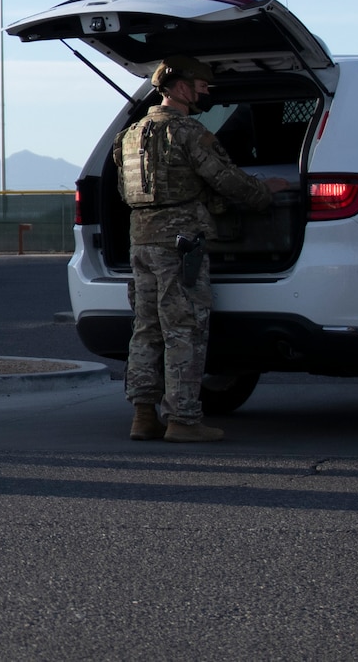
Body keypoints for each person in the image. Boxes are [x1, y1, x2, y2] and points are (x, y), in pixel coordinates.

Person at [112, 56, 285, 444]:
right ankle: (184, 419)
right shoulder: (190, 132)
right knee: (184, 329)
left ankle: (144, 415)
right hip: (181, 245)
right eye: (201, 85)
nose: (207, 91)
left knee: (146, 329)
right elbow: (226, 180)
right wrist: (264, 192)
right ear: (179, 87)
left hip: (141, 240)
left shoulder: (130, 134)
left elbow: (125, 192)